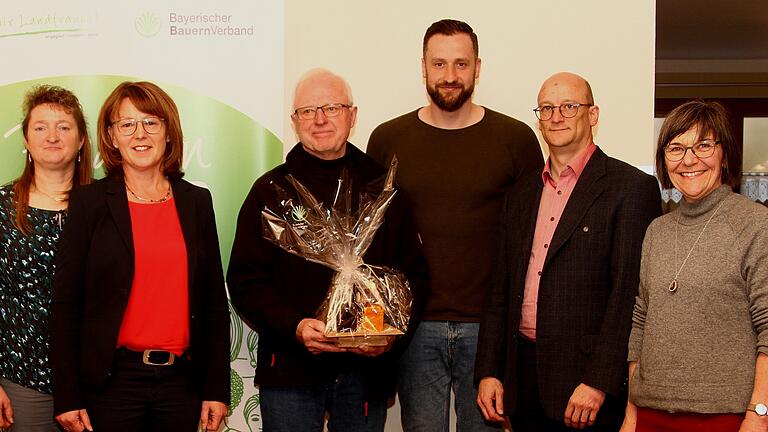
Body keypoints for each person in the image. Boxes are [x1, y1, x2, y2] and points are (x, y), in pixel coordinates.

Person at [367, 19, 543, 431]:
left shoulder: (515, 139)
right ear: (423, 66)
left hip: (490, 329)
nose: (450, 76)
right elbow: (372, 242)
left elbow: (532, 239)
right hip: (414, 328)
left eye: (461, 64)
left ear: (478, 67)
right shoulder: (387, 139)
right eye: (440, 64)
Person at [227, 68, 428, 432]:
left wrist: (387, 340)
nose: (320, 119)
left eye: (332, 108)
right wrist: (296, 326)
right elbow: (245, 281)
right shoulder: (270, 191)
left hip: (366, 374)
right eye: (308, 110)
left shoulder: (383, 188)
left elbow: (415, 277)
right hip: (290, 370)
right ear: (294, 121)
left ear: (352, 116)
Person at [475, 72, 662, 431]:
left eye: (569, 106)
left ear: (593, 115)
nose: (556, 116)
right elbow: (500, 287)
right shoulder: (521, 192)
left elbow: (628, 294)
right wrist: (488, 370)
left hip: (586, 387)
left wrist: (599, 381)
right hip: (523, 379)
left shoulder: (630, 189)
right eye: (547, 108)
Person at [50, 81, 230, 432]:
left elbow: (213, 304)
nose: (140, 134)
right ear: (112, 137)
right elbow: (65, 304)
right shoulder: (90, 203)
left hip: (182, 383)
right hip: (112, 384)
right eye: (127, 124)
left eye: (151, 122)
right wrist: (68, 395)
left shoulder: (196, 202)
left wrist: (216, 389)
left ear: (168, 132)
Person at [620, 100, 768, 432]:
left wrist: (759, 414)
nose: (689, 160)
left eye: (703, 145)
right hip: (649, 416)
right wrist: (632, 410)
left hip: (725, 419)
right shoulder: (657, 231)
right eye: (676, 148)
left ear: (724, 154)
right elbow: (641, 322)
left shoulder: (756, 225)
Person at [0, 85, 92, 432]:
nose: (52, 136)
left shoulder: (105, 207)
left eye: (64, 127)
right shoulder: (2, 207)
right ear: (25, 139)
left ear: (81, 140)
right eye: (40, 127)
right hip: (21, 378)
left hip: (95, 381)